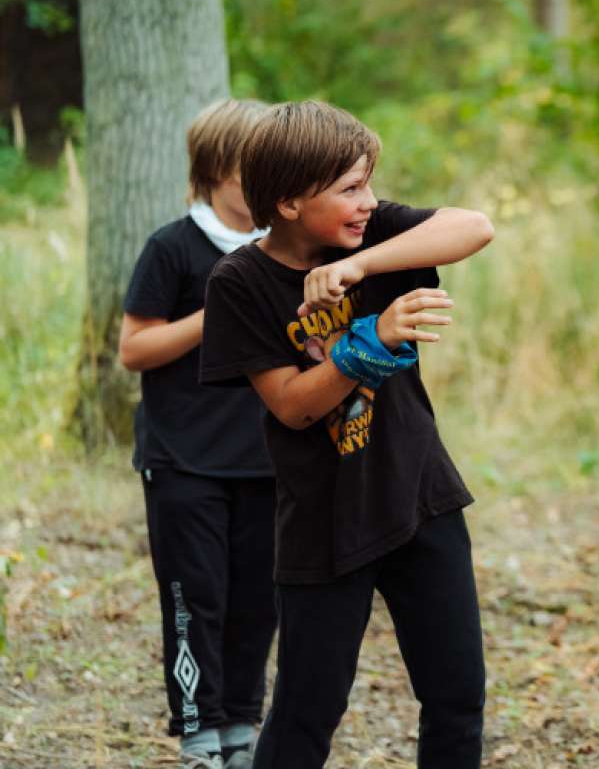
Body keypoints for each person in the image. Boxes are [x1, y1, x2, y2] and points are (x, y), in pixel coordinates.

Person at [199, 100, 495, 768]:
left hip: (420, 497)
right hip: (324, 519)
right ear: (289, 202)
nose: (367, 202)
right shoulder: (240, 282)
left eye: (369, 185)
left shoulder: (371, 236)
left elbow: (474, 226)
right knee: (307, 711)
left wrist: (359, 268)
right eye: (349, 189)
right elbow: (291, 407)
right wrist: (370, 342)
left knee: (456, 697)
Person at [120, 98, 276, 769]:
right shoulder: (172, 247)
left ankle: (241, 727)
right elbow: (134, 348)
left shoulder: (286, 249)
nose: (266, 183)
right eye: (253, 169)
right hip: (184, 462)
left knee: (259, 602)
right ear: (215, 169)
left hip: (269, 459)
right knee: (195, 600)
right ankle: (199, 733)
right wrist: (216, 315)